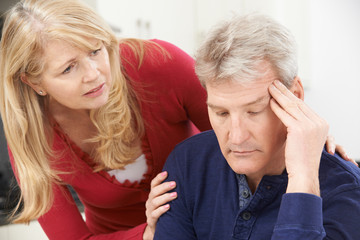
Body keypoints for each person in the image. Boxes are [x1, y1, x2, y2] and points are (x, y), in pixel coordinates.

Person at [0, 1, 352, 239]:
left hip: (206, 211)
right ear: (34, 82)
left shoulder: (158, 65)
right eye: (68, 68)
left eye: (97, 50)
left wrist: (307, 139)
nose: (95, 74)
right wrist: (148, 232)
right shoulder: (33, 138)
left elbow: (239, 116)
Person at [154, 14, 360, 240]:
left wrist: (303, 179)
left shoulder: (345, 190)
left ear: (295, 96)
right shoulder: (188, 164)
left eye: (254, 112)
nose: (237, 137)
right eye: (221, 113)